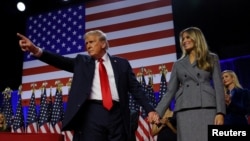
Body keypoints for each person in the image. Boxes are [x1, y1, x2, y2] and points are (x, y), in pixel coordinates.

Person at [17, 30, 159, 141]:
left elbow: (136, 89)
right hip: (92, 114)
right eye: (86, 43)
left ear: (103, 44)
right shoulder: (82, 62)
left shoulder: (122, 64)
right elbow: (59, 60)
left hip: (118, 115)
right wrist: (35, 50)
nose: (88, 46)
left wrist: (150, 110)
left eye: (91, 42)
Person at [148, 27, 226, 141]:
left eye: (188, 37)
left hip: (207, 108)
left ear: (197, 38)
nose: (184, 41)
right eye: (183, 39)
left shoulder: (211, 58)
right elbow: (170, 91)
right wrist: (158, 112)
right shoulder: (178, 64)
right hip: (185, 110)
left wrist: (220, 113)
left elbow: (219, 87)